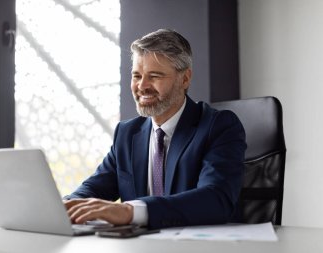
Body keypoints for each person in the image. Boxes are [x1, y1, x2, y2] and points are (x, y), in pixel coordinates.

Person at [63, 29, 246, 229]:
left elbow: (215, 199)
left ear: (184, 79)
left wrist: (130, 211)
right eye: (137, 76)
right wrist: (65, 206)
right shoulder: (126, 134)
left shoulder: (218, 126)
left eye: (154, 76)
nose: (142, 86)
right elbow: (94, 188)